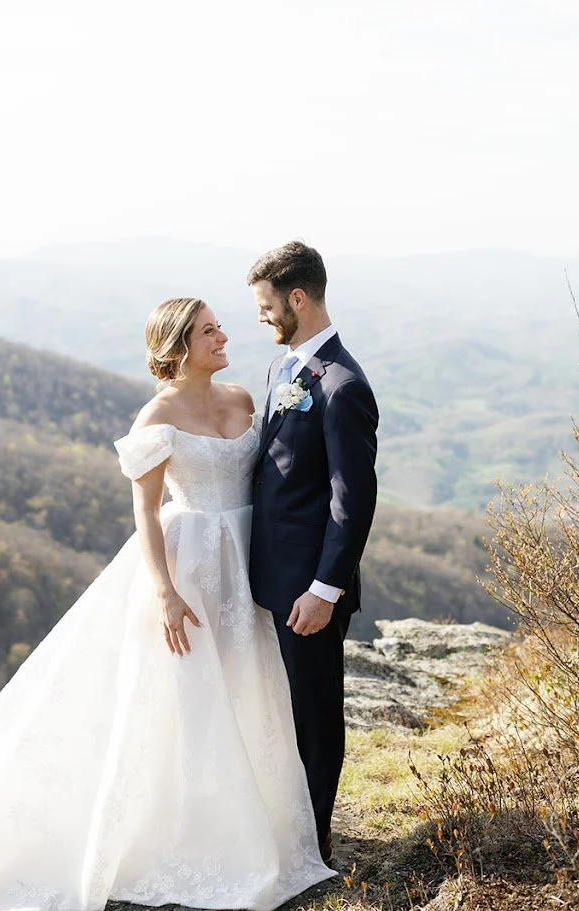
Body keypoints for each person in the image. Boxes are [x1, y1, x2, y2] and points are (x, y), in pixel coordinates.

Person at [0, 297, 333, 911]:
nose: (224, 336)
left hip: (247, 560)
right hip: (190, 562)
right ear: (177, 347)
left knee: (246, 687)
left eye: (221, 326)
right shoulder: (157, 416)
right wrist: (165, 592)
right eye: (208, 331)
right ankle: (194, 831)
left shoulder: (243, 400)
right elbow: (145, 510)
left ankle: (253, 818)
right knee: (191, 701)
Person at [246, 242, 379, 864]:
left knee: (314, 714)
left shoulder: (343, 386)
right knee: (275, 710)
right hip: (269, 578)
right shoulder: (284, 370)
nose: (262, 318)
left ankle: (315, 838)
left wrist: (325, 590)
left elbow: (351, 503)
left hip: (309, 590)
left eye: (268, 306)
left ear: (298, 299)